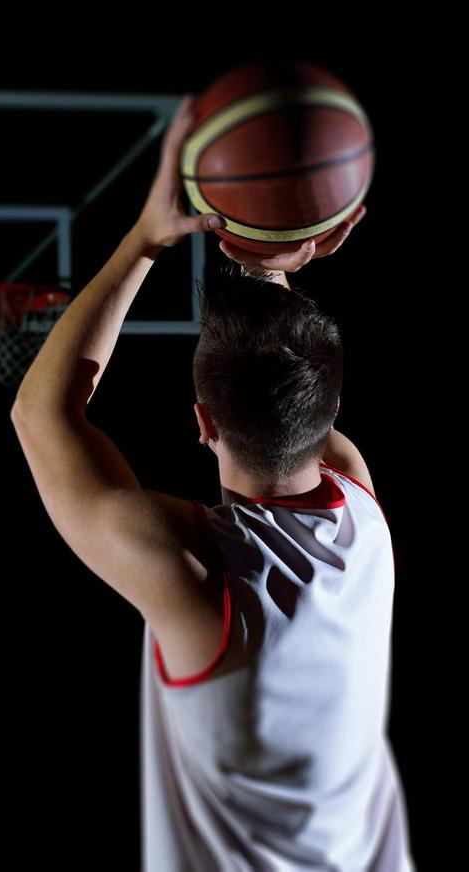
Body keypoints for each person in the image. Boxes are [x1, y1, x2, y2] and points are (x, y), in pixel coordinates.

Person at [140, 238, 415, 870]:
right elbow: (292, 387)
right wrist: (266, 264)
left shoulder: (199, 576)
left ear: (203, 424)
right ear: (332, 413)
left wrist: (148, 238)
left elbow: (37, 415)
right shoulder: (362, 510)